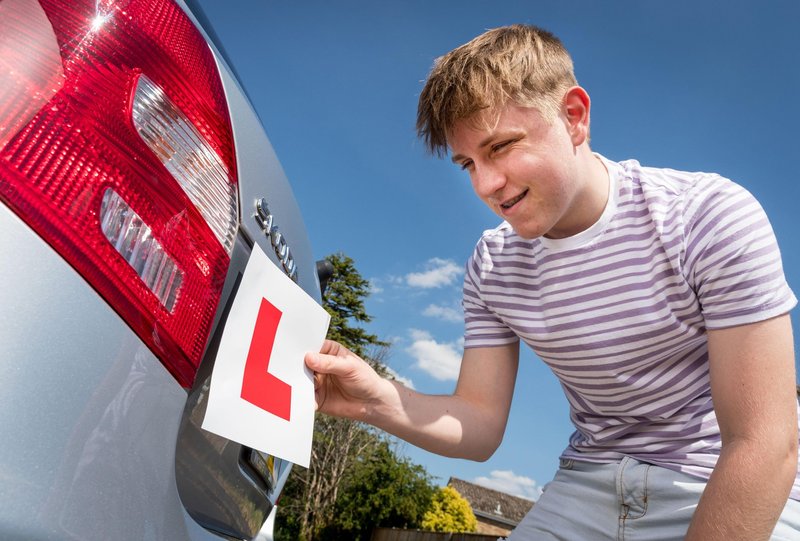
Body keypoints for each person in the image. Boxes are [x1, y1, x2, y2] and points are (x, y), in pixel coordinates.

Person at [304, 24, 799, 540]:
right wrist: (374, 400)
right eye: (468, 163)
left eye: (501, 147)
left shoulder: (707, 216)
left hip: (722, 480)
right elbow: (478, 424)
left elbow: (763, 443)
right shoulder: (492, 265)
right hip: (587, 484)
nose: (485, 185)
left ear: (574, 117)